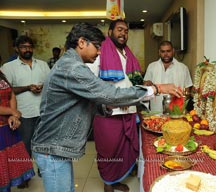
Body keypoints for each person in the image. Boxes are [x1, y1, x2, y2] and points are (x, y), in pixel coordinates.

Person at [30, 22, 182, 192]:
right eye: (96, 47)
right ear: (81, 42)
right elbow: (110, 93)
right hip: (52, 148)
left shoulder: (71, 64)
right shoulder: (72, 68)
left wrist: (105, 107)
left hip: (56, 146)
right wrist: (157, 88)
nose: (100, 52)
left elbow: (85, 100)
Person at [87, 19, 145, 192]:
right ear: (110, 31)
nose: (123, 34)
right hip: (108, 113)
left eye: (126, 31)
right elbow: (91, 83)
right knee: (108, 149)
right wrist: (108, 101)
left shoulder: (128, 53)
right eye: (119, 30)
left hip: (128, 110)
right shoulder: (100, 52)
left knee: (123, 149)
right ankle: (107, 183)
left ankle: (116, 180)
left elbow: (130, 81)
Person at [1, 35, 50, 186]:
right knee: (24, 146)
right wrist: (28, 87)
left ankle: (45, 170)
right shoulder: (8, 68)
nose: (27, 49)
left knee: (44, 144)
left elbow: (51, 84)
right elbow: (8, 90)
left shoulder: (42, 65)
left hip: (43, 111)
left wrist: (42, 87)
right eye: (23, 47)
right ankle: (24, 176)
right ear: (17, 49)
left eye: (29, 46)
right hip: (23, 113)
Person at [0, 70, 35, 191]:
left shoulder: (1, 74)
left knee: (7, 165)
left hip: (7, 126)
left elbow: (11, 95)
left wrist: (13, 116)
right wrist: (12, 112)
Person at [143, 40, 193, 112]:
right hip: (156, 111)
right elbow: (146, 88)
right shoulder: (151, 67)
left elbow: (187, 90)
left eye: (168, 51)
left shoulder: (183, 68)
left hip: (177, 112)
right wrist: (147, 84)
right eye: (163, 52)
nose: (166, 54)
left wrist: (181, 106)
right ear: (159, 52)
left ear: (173, 51)